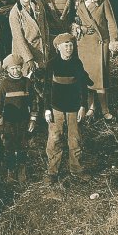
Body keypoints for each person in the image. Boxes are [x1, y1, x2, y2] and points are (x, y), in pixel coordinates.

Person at [44, 33, 91, 184]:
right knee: (54, 139)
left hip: (73, 108)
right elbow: (46, 89)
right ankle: (52, 172)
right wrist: (47, 109)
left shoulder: (77, 64)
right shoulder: (52, 64)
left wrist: (83, 105)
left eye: (71, 45)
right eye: (66, 46)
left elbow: (83, 87)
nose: (69, 48)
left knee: (75, 139)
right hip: (56, 108)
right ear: (58, 47)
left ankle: (76, 169)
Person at [73, 0, 118, 121]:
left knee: (101, 77)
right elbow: (72, 23)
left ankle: (105, 109)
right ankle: (91, 106)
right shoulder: (77, 3)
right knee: (88, 77)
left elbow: (111, 21)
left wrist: (114, 40)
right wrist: (80, 29)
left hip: (101, 43)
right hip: (84, 45)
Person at [0, 54, 36, 182]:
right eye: (12, 69)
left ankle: (22, 169)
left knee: (23, 144)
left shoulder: (26, 82)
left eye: (18, 68)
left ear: (21, 68)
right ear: (7, 70)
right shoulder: (4, 84)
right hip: (9, 121)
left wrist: (33, 119)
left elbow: (33, 101)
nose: (16, 71)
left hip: (23, 120)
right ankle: (11, 169)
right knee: (9, 145)